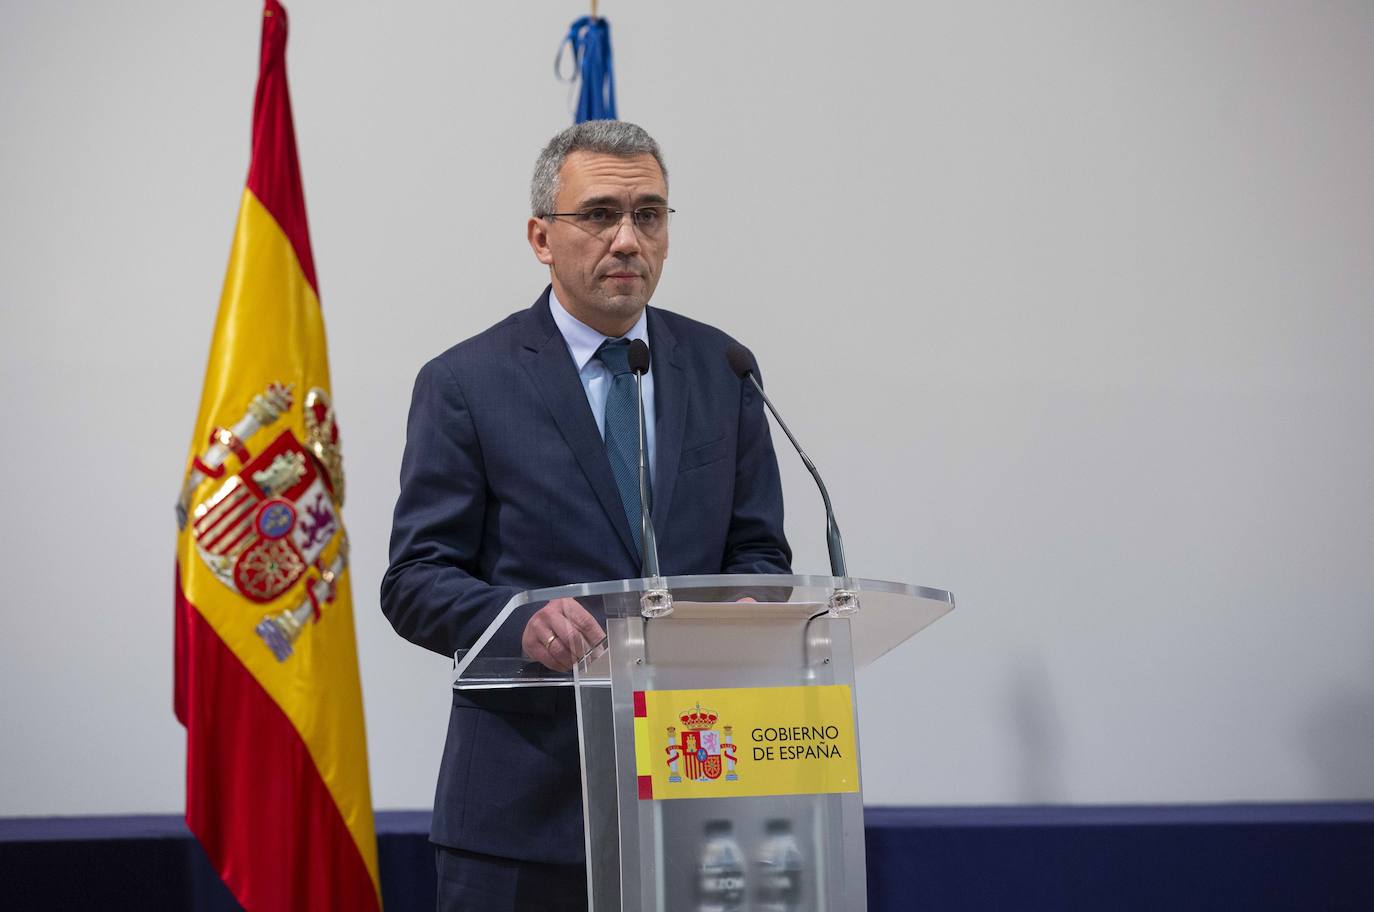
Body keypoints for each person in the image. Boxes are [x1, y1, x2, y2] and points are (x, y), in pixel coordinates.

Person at [381, 120, 791, 911]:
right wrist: (517, 620)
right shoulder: (467, 382)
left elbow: (759, 550)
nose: (628, 239)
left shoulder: (723, 368)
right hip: (522, 818)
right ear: (541, 237)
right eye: (600, 214)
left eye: (650, 215)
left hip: (696, 794)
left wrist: (747, 608)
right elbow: (415, 580)